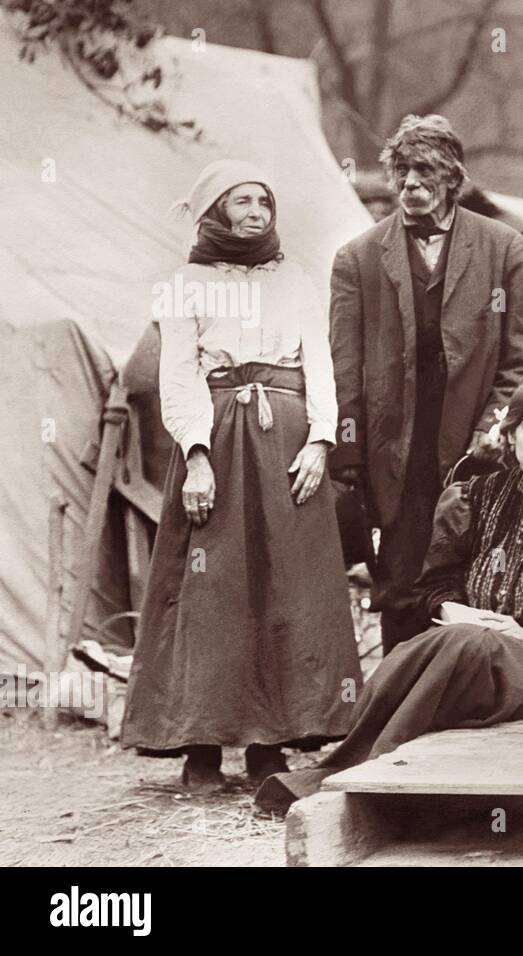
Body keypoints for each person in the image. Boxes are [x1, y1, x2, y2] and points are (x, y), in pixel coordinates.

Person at [255, 379, 523, 812]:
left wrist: (522, 635)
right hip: (468, 647)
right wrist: (456, 610)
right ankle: (358, 763)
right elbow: (434, 587)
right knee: (417, 649)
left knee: (465, 644)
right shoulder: (470, 498)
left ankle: (366, 771)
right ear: (509, 434)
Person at [122, 160, 361, 792]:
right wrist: (196, 455)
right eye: (241, 201)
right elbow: (178, 374)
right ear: (215, 212)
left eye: (264, 201)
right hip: (219, 439)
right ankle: (200, 743)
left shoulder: (297, 280)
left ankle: (270, 743)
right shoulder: (186, 283)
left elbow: (323, 367)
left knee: (286, 586)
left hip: (286, 441)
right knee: (212, 588)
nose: (256, 211)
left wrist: (319, 442)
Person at [328, 114, 523, 654]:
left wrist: (496, 430)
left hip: (475, 440)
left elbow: (521, 357)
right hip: (394, 446)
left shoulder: (502, 247)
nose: (410, 185)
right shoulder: (357, 258)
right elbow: (345, 366)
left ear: (453, 177)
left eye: (425, 171)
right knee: (401, 581)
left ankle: (466, 703)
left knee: (472, 573)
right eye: (401, 172)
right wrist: (351, 451)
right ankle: (402, 705)